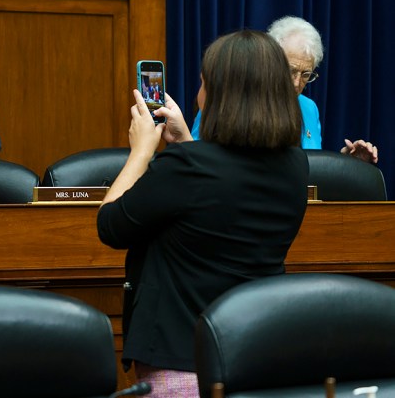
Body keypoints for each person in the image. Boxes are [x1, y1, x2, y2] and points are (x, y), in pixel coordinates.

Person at [97, 30, 308, 396]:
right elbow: (219, 192)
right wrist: (185, 145)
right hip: (255, 353)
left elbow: (111, 224)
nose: (198, 94)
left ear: (221, 95)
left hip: (183, 360)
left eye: (203, 83)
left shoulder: (188, 168)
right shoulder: (296, 166)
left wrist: (141, 151)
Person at [191, 16, 378, 163]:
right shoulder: (235, 98)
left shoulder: (308, 108)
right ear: (271, 63)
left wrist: (343, 162)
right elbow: (197, 155)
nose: (297, 83)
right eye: (291, 71)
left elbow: (309, 167)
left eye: (306, 74)